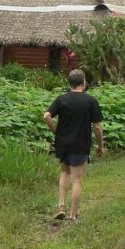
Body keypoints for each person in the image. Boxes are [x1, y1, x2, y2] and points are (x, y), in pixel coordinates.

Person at [44, 69, 105, 223]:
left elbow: (47, 116)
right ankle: (72, 215)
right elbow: (97, 127)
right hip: (80, 144)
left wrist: (55, 131)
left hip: (62, 143)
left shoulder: (62, 99)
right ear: (84, 82)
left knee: (64, 173)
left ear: (70, 82)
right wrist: (100, 145)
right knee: (77, 179)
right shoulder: (90, 101)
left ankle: (61, 206)